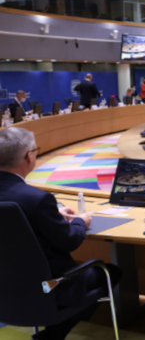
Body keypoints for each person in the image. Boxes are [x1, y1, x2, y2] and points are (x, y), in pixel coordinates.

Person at [0, 127, 121, 340]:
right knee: (111, 272)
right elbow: (69, 240)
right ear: (29, 156)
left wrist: (52, 213)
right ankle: (53, 336)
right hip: (49, 288)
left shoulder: (34, 202)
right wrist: (79, 221)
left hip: (6, 288)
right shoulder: (37, 199)